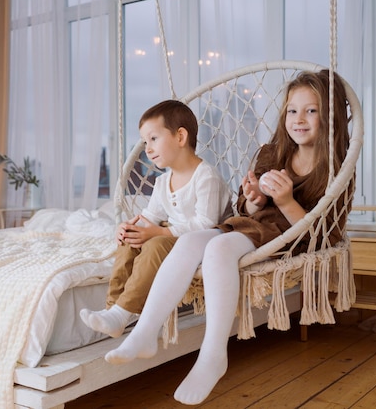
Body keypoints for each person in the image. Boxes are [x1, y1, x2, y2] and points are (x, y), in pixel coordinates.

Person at [104, 70, 351, 405]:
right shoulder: (271, 153)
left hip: (290, 240)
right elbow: (244, 207)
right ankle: (146, 332)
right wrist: (253, 198)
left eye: (311, 110)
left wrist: (286, 202)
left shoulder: (336, 169)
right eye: (292, 110)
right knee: (193, 241)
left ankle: (213, 353)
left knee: (218, 247)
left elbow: (326, 235)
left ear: (330, 117)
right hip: (250, 227)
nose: (299, 119)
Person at [80, 99, 233, 339]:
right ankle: (112, 309)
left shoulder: (206, 177)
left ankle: (123, 313)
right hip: (177, 238)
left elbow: (206, 224)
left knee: (154, 244)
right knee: (130, 239)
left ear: (180, 137)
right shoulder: (163, 182)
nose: (147, 148)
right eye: (144, 142)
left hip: (206, 244)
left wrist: (159, 233)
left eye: (153, 139)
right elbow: (149, 216)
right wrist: (129, 228)